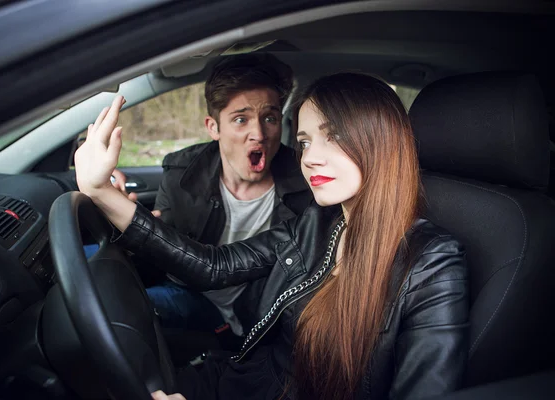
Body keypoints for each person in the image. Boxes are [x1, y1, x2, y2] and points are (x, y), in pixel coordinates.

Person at [74, 72, 469, 400]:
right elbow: (214, 266)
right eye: (305, 142)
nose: (309, 157)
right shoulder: (318, 224)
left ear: (379, 139)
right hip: (237, 379)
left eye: (333, 136)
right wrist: (101, 192)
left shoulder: (431, 264)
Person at [112, 54, 313, 340]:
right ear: (213, 127)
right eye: (240, 119)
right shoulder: (181, 173)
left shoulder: (307, 184)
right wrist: (126, 225)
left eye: (269, 118)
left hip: (263, 309)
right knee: (113, 291)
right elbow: (162, 254)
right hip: (194, 293)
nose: (258, 133)